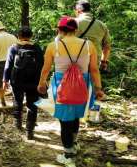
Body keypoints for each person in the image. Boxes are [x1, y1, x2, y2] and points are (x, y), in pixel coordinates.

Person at [37, 16, 105, 165]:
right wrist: (98, 88)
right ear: (76, 30)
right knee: (75, 117)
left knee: (65, 121)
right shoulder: (89, 45)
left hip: (62, 86)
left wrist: (42, 83)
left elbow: (46, 69)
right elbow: (94, 69)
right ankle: (73, 144)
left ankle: (68, 156)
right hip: (84, 86)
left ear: (59, 30)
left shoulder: (53, 46)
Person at [2, 26, 43, 140]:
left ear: (18, 36)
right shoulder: (37, 48)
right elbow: (41, 65)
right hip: (33, 81)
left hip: (17, 80)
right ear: (31, 36)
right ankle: (30, 131)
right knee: (32, 104)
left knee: (17, 100)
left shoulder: (14, 48)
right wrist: (43, 80)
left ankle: (17, 124)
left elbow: (8, 65)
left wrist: (5, 80)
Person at [73, 0, 111, 72]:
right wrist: (103, 61)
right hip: (95, 60)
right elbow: (107, 46)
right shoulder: (102, 25)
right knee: (91, 81)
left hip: (75, 60)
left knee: (74, 82)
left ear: (78, 10)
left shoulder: (73, 22)